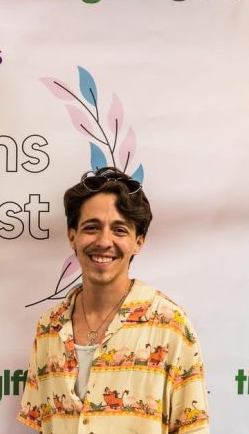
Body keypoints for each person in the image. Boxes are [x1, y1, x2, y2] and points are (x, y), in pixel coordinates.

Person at [17, 167, 209, 433]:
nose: (104, 241)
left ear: (138, 241)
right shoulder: (49, 327)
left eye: (119, 230)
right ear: (72, 236)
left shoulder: (171, 326)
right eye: (92, 227)